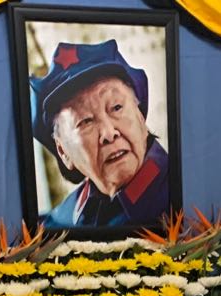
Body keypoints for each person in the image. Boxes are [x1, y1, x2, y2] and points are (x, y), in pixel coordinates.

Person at [30, 38, 171, 230]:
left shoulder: (184, 198)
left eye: (116, 107)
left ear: (140, 115)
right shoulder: (59, 223)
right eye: (85, 121)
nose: (109, 133)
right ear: (63, 152)